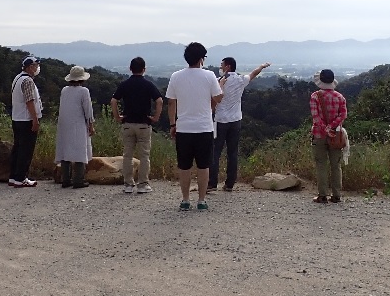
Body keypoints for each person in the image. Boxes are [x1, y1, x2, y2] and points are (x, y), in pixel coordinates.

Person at [165, 42, 223, 212]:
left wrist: (172, 124)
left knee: (184, 166)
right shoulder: (210, 76)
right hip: (204, 127)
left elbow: (171, 102)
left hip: (183, 127)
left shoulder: (176, 76)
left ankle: (185, 199)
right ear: (201, 59)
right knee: (204, 166)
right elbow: (218, 98)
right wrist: (222, 88)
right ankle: (202, 200)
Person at [208, 58, 271, 192]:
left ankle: (212, 183)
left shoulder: (219, 82)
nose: (220, 67)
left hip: (220, 121)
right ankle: (230, 183)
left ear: (227, 67)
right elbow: (254, 73)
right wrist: (262, 65)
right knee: (232, 152)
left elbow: (213, 100)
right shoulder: (241, 79)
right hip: (236, 120)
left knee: (215, 152)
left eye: (222, 65)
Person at [110, 56, 164, 194]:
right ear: (144, 69)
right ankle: (143, 184)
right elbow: (159, 101)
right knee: (144, 155)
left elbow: (113, 101)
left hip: (127, 123)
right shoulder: (148, 84)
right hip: (144, 124)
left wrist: (117, 117)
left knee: (127, 155)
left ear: (130, 69)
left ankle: (128, 184)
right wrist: (155, 117)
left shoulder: (125, 84)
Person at [309, 69, 347, 203]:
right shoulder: (340, 97)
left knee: (321, 164)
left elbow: (315, 117)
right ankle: (336, 195)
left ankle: (322, 195)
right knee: (336, 165)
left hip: (319, 135)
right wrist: (332, 127)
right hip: (336, 135)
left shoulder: (315, 96)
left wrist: (325, 129)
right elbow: (343, 115)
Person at [55, 65, 95, 189]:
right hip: (78, 123)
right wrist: (91, 125)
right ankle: (79, 180)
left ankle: (66, 179)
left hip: (64, 123)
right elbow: (88, 110)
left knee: (65, 149)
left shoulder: (64, 90)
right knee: (79, 150)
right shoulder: (84, 91)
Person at [10, 56, 43, 187]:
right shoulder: (28, 81)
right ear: (30, 67)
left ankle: (13, 176)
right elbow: (29, 101)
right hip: (26, 119)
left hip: (17, 118)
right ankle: (21, 178)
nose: (37, 68)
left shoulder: (17, 78)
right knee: (26, 150)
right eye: (36, 65)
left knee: (17, 148)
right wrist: (35, 119)